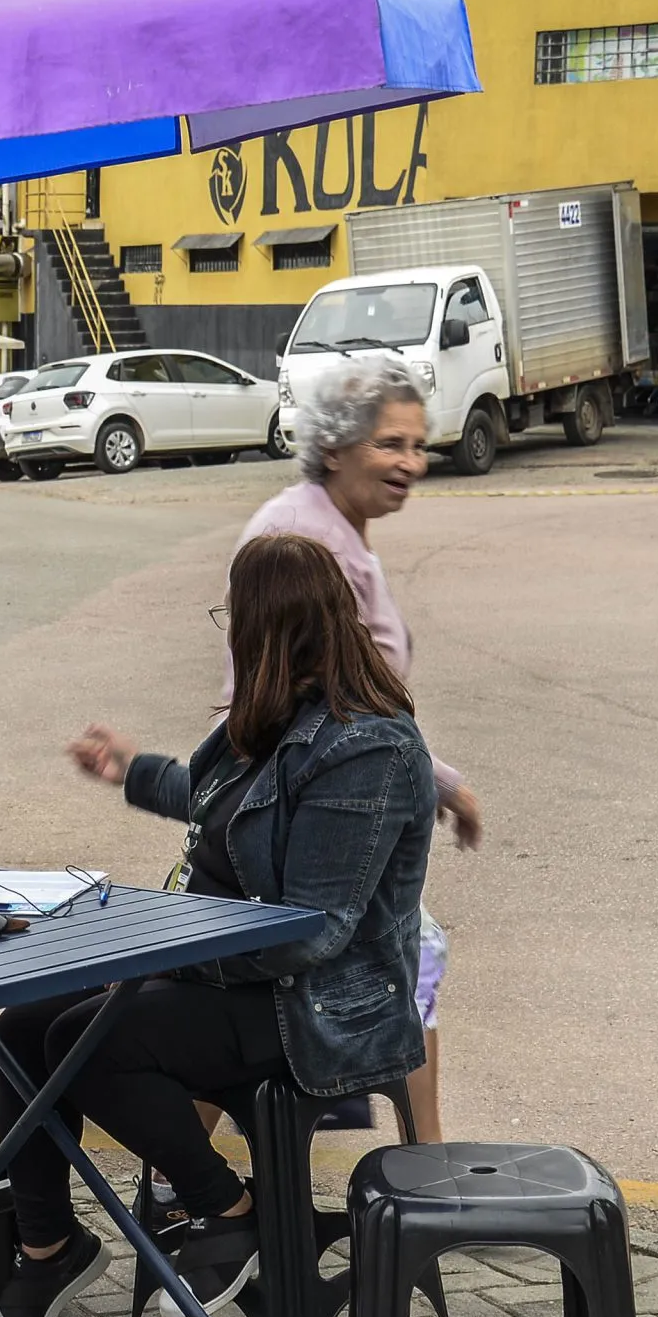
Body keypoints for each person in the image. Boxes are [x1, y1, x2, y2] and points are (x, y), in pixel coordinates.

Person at [0, 532, 436, 1317]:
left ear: (269, 625)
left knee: (93, 1041)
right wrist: (128, 768)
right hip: (228, 979)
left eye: (234, 615)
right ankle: (48, 1246)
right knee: (23, 1026)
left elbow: (316, 932)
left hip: (318, 1007)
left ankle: (229, 1209)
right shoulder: (267, 724)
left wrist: (169, 947)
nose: (228, 631)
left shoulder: (367, 747)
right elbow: (209, 796)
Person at [226, 356, 479, 1144]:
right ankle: (423, 1168)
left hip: (341, 794)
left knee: (407, 963)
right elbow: (310, 703)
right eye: (390, 443)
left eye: (418, 443)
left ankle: (417, 1159)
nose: (411, 462)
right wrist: (435, 780)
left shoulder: (339, 527)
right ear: (335, 446)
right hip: (320, 806)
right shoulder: (304, 539)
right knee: (401, 962)